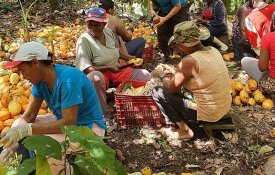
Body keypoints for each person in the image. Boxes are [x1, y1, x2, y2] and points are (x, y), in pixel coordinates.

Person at [0, 42, 107, 172]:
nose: (23, 76)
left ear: (35, 63)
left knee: (46, 144)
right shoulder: (40, 82)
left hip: (89, 129)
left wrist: (27, 130)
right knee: (18, 122)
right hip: (68, 126)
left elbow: (68, 122)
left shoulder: (68, 79)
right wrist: (13, 143)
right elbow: (29, 116)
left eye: (23, 70)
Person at [152, 21, 232, 140]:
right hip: (224, 106)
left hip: (208, 113)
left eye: (179, 44)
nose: (178, 47)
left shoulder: (189, 61)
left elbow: (171, 88)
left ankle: (184, 130)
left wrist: (161, 76)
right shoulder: (213, 50)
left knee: (158, 91)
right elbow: (202, 73)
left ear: (185, 44)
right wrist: (175, 71)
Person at [75, 7, 151, 119]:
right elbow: (86, 69)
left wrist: (128, 57)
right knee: (94, 78)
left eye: (97, 25)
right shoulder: (84, 40)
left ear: (104, 24)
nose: (93, 28)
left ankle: (145, 104)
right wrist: (108, 67)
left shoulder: (109, 32)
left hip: (116, 69)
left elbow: (115, 51)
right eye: (90, 24)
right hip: (101, 72)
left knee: (145, 75)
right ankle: (103, 114)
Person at [241, 11, 275, 99]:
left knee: (244, 60)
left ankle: (263, 93)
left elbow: (262, 67)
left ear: (273, 24)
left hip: (272, 85)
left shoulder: (268, 38)